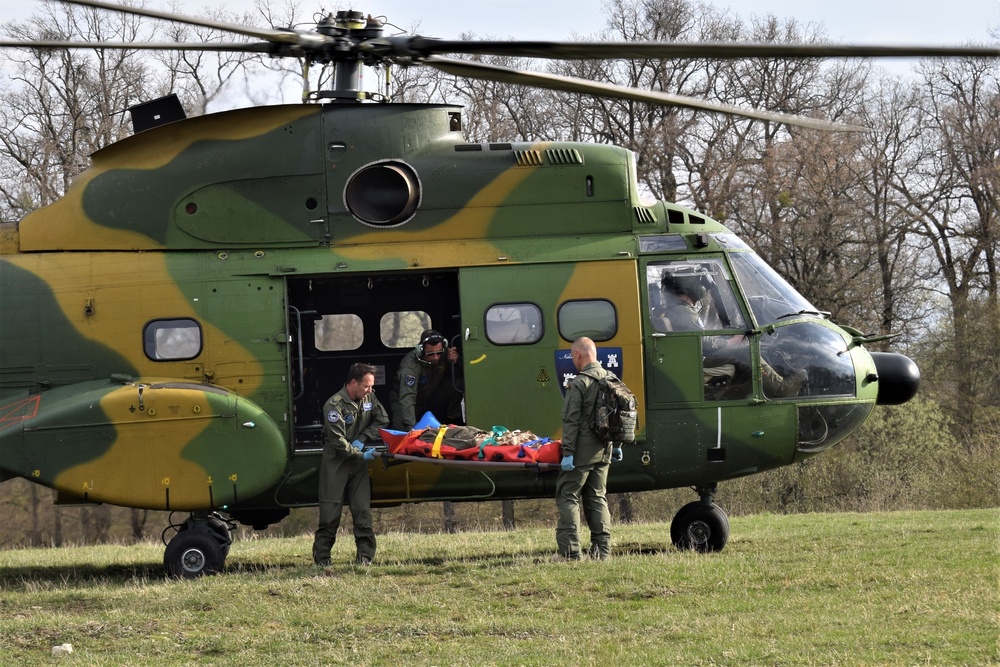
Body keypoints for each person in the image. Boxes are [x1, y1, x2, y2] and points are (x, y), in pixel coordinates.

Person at [659, 273, 806, 396]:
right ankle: (780, 387)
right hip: (696, 361)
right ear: (690, 287)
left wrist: (727, 339)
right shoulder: (683, 312)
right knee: (746, 351)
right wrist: (730, 343)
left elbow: (699, 337)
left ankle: (743, 391)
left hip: (693, 358)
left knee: (741, 358)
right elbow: (703, 341)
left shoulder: (678, 311)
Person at [312, 363, 388, 566]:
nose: (370, 390)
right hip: (337, 462)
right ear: (353, 383)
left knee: (362, 510)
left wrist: (363, 437)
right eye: (366, 386)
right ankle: (322, 559)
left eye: (371, 386)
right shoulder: (334, 406)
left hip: (357, 464)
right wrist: (360, 454)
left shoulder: (369, 398)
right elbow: (338, 442)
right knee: (330, 513)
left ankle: (365, 557)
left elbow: (382, 420)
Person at [555, 337, 618, 561]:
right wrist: (616, 445)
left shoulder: (580, 383)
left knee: (568, 495)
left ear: (578, 355)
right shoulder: (611, 378)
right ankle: (602, 551)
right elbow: (619, 417)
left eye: (573, 356)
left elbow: (571, 420)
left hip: (582, 450)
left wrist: (568, 452)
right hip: (605, 449)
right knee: (597, 497)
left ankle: (571, 553)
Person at [389, 329, 464, 430]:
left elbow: (462, 375)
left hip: (428, 396)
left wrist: (456, 361)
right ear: (421, 350)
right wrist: (412, 428)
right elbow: (407, 397)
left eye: (439, 353)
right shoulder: (410, 366)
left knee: (458, 384)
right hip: (404, 401)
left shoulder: (445, 354)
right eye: (430, 354)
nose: (436, 357)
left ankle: (452, 421)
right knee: (402, 433)